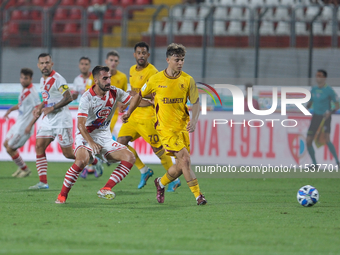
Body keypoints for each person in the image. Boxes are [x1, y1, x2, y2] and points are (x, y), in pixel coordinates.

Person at [122, 43, 207, 205]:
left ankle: (160, 182)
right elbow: (139, 95)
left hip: (182, 128)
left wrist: (194, 120)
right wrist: (129, 112)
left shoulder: (188, 80)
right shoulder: (155, 79)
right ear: (168, 60)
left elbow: (196, 102)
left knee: (181, 167)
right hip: (165, 129)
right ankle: (198, 196)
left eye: (182, 60)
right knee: (186, 160)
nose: (180, 63)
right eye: (177, 60)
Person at [55, 66, 135, 204]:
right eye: (105, 78)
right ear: (96, 80)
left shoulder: (115, 92)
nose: (109, 81)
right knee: (81, 161)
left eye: (109, 77)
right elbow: (80, 125)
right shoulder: (87, 97)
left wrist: (148, 100)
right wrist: (91, 143)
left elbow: (133, 99)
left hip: (104, 137)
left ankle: (106, 188)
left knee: (130, 157)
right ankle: (62, 196)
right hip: (85, 136)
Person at [29, 53, 102, 189]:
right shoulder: (42, 80)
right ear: (38, 65)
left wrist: (52, 108)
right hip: (48, 120)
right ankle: (43, 182)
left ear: (52, 64)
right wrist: (39, 108)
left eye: (47, 62)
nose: (45, 66)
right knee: (39, 146)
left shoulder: (57, 79)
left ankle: (93, 159)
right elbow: (47, 100)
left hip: (62, 119)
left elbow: (68, 97)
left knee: (68, 154)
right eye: (42, 63)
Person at [117, 42, 181, 192]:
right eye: (138, 53)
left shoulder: (153, 72)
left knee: (158, 150)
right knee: (121, 143)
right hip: (133, 117)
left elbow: (155, 99)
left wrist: (138, 99)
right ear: (134, 55)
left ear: (148, 55)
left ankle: (174, 179)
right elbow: (134, 93)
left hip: (148, 118)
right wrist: (126, 104)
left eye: (144, 53)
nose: (141, 55)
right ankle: (144, 170)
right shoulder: (132, 70)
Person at [3, 68, 40, 178]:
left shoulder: (32, 93)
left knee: (10, 148)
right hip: (18, 123)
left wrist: (30, 125)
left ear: (31, 79)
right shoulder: (24, 90)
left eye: (26, 78)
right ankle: (22, 167)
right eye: (22, 77)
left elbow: (39, 109)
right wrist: (10, 110)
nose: (23, 80)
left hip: (24, 126)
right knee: (6, 144)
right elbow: (21, 104)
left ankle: (25, 169)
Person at [306, 69, 340, 167]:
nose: (318, 77)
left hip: (325, 117)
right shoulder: (314, 89)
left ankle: (337, 162)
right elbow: (310, 103)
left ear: (324, 77)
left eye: (320, 75)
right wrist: (304, 108)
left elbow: (337, 105)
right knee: (308, 140)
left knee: (326, 139)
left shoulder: (329, 90)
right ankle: (315, 164)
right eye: (317, 75)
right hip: (315, 117)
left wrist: (331, 112)